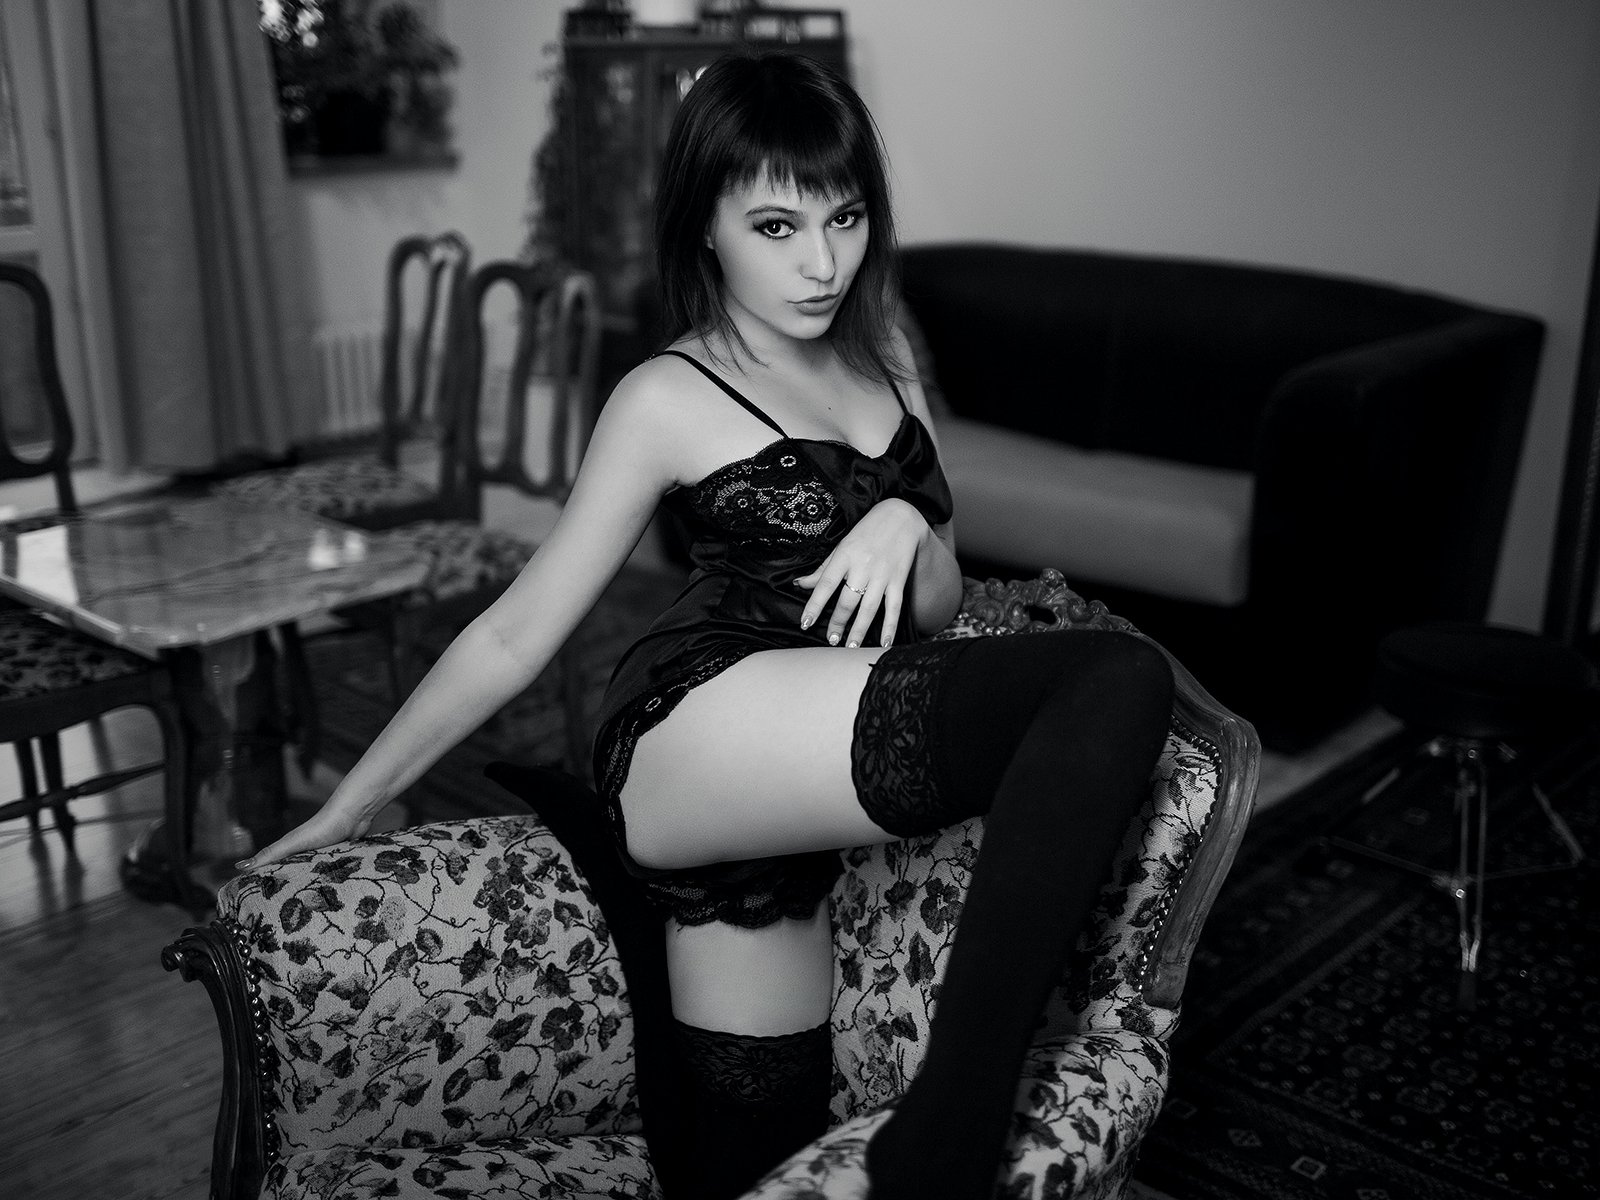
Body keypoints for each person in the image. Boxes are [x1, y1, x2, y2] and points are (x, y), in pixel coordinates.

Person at [242, 51, 1174, 1200]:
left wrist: (902, 523)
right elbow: (514, 633)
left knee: (750, 1150)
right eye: (776, 227)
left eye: (844, 218)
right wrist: (352, 805)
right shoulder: (665, 396)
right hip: (698, 718)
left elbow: (934, 598)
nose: (822, 262)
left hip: (802, 774)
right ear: (705, 231)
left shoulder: (885, 358)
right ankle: (950, 1135)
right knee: (1111, 678)